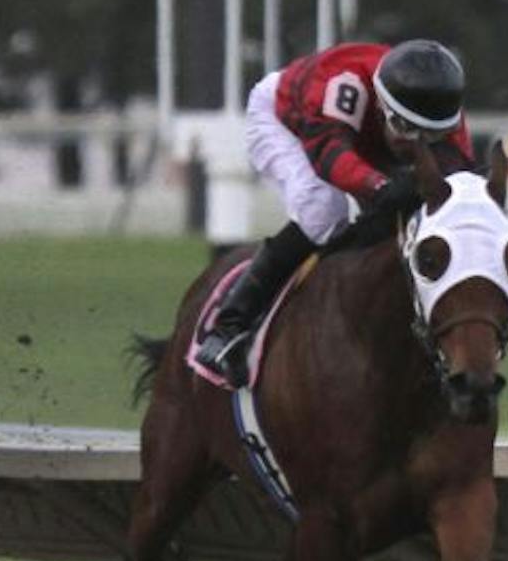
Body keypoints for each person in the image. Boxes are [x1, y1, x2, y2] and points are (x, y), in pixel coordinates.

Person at [191, 38, 476, 387]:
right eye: (404, 128)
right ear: (382, 104)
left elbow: (457, 179)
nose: (414, 144)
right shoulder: (344, 83)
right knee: (323, 208)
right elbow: (329, 155)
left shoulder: (442, 112)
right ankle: (230, 325)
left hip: (359, 136)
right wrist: (380, 187)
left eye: (429, 136)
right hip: (287, 121)